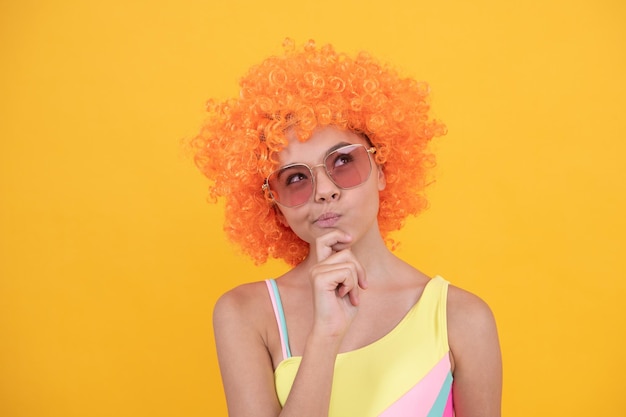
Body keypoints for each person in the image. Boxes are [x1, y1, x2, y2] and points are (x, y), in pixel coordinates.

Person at [191, 39, 502, 417]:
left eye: (343, 162)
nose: (324, 192)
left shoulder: (462, 318)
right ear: (273, 203)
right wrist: (325, 337)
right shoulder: (246, 314)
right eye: (295, 179)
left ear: (383, 169)